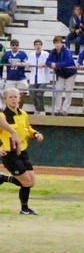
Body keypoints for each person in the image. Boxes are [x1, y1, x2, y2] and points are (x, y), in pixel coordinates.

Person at [0, 87, 42, 215]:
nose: (13, 99)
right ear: (5, 100)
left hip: (22, 151)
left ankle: (3, 178)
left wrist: (35, 134)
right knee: (26, 182)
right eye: (10, 97)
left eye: (15, 97)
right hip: (9, 153)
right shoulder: (3, 116)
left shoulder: (22, 114)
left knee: (31, 182)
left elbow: (27, 128)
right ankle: (24, 209)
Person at [45, 35, 77, 115]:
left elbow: (68, 62)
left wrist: (56, 64)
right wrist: (51, 64)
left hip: (70, 73)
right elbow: (47, 61)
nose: (57, 45)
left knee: (68, 91)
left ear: (62, 43)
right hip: (60, 74)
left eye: (59, 43)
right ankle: (57, 109)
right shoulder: (53, 51)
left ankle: (65, 109)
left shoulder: (66, 51)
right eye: (55, 43)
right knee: (58, 90)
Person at [25, 39, 49, 115]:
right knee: (32, 95)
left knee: (39, 94)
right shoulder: (31, 55)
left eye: (39, 45)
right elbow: (28, 63)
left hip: (43, 78)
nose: (38, 46)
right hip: (33, 78)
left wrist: (45, 63)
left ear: (41, 46)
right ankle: (37, 108)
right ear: (34, 46)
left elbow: (49, 61)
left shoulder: (45, 54)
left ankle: (42, 110)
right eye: (36, 45)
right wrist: (27, 65)